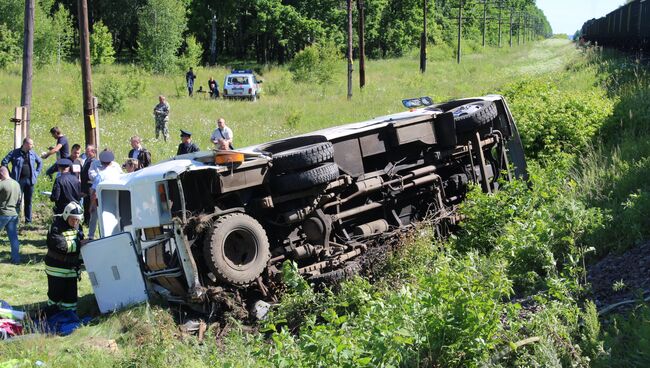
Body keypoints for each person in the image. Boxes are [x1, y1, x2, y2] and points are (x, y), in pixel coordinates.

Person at [44, 201, 85, 313]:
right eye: (73, 219)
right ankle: (50, 317)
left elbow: (80, 241)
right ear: (66, 215)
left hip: (71, 268)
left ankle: (69, 319)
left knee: (70, 299)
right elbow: (61, 246)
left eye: (78, 219)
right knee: (55, 297)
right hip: (56, 269)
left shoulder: (78, 227)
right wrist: (80, 244)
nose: (75, 222)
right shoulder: (56, 226)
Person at [1, 138, 42, 224]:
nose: (32, 146)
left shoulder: (32, 153)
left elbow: (40, 162)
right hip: (18, 181)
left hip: (30, 181)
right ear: (25, 144)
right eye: (31, 144)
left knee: (28, 201)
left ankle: (28, 221)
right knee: (17, 202)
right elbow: (4, 162)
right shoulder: (14, 153)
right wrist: (9, 175)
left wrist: (36, 173)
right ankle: (15, 221)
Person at [88, 150, 121, 240]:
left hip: (100, 201)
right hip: (115, 200)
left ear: (102, 162)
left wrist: (91, 205)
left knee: (96, 218)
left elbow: (94, 192)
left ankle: (91, 236)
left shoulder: (101, 175)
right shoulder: (117, 173)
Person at [0, 167, 21, 264]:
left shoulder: (2, 184)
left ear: (1, 173)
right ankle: (16, 259)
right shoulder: (16, 183)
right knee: (13, 238)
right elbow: (19, 200)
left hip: (3, 214)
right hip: (13, 214)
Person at [80, 145, 96, 225]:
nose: (86, 152)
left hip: (89, 186)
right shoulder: (87, 160)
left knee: (89, 203)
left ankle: (89, 221)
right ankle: (86, 220)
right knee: (85, 204)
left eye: (88, 151)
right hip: (85, 185)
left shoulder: (93, 161)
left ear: (93, 152)